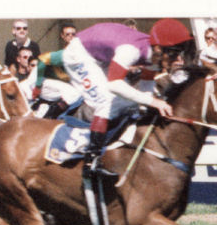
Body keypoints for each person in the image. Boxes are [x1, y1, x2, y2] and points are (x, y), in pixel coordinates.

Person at [61, 20, 187, 179]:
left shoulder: (154, 54)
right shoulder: (131, 50)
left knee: (129, 102)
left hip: (100, 56)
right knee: (105, 101)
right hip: (78, 54)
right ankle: (91, 161)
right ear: (158, 48)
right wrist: (154, 102)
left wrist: (147, 105)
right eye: (173, 54)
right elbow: (114, 84)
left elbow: (147, 84)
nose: (176, 59)